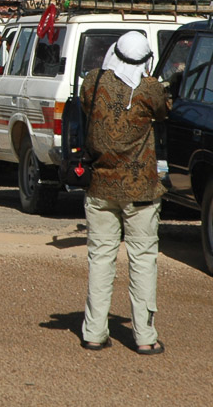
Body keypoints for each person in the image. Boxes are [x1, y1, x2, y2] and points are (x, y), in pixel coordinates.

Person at [78, 30, 168, 355]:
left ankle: (93, 332)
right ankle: (145, 337)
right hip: (140, 189)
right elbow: (164, 109)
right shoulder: (150, 89)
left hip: (100, 185)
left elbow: (87, 105)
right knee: (142, 261)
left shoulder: (93, 81)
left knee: (100, 259)